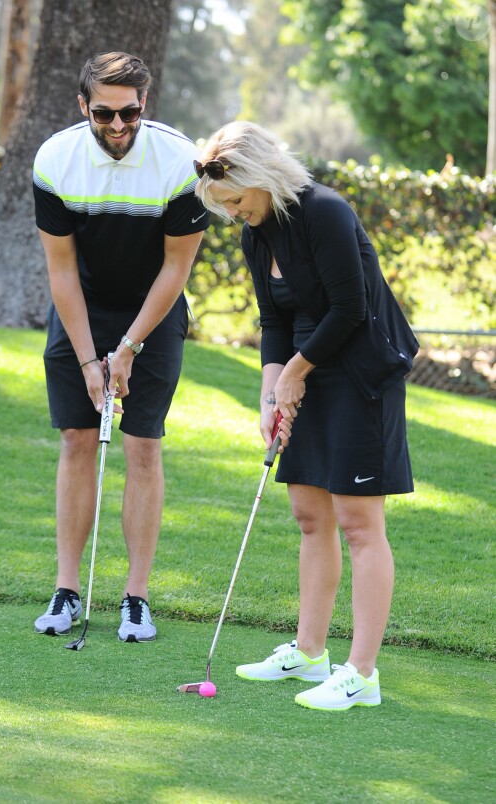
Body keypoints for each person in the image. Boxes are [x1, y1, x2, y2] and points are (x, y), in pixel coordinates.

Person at [194, 121, 418, 711]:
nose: (235, 214)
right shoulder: (257, 235)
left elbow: (350, 308)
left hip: (363, 373)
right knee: (309, 515)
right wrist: (271, 396)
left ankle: (361, 674)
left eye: (237, 201)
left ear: (261, 179)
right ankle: (310, 651)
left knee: (358, 522)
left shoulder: (324, 212)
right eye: (226, 208)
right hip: (306, 368)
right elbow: (272, 320)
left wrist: (294, 375)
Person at [32, 52, 208, 643]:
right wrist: (89, 359)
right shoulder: (56, 160)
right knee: (78, 439)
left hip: (153, 311)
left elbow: (177, 266)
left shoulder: (180, 161)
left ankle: (136, 596)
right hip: (80, 307)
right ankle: (66, 587)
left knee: (141, 446)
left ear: (144, 105)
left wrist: (128, 348)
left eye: (129, 113)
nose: (117, 126)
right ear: (83, 105)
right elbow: (60, 271)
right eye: (103, 113)